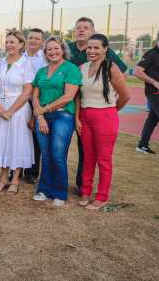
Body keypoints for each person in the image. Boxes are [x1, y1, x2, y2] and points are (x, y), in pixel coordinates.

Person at [67, 17, 129, 195]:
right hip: (75, 109)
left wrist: (111, 108)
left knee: (97, 156)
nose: (81, 30)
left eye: (85, 27)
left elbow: (124, 88)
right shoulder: (72, 55)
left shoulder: (107, 59)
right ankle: (80, 188)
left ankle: (91, 190)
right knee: (80, 153)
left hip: (101, 113)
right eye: (78, 27)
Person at [32, 37, 82, 207]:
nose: (52, 52)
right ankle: (43, 190)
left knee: (57, 155)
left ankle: (59, 192)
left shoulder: (71, 69)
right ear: (45, 53)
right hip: (42, 117)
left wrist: (44, 111)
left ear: (63, 49)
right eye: (49, 50)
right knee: (45, 155)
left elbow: (68, 97)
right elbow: (34, 95)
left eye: (56, 48)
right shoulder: (41, 71)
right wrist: (39, 116)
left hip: (62, 116)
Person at [0, 30, 35, 194]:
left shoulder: (26, 64)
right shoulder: (0, 63)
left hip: (18, 108)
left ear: (21, 45)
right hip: (0, 108)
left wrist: (10, 111)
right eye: (7, 42)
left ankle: (15, 178)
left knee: (17, 141)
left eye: (13, 42)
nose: (9, 45)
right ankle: (3, 177)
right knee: (2, 141)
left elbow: (27, 92)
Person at [22, 28, 47, 184]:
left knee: (36, 138)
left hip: (37, 101)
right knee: (19, 135)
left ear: (42, 42)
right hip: (20, 101)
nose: (33, 41)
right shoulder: (19, 57)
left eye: (37, 38)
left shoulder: (45, 59)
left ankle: (31, 172)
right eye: (30, 37)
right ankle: (14, 168)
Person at [134, 34, 159, 154]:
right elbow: (137, 71)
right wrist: (154, 82)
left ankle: (142, 145)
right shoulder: (151, 54)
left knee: (152, 119)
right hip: (154, 92)